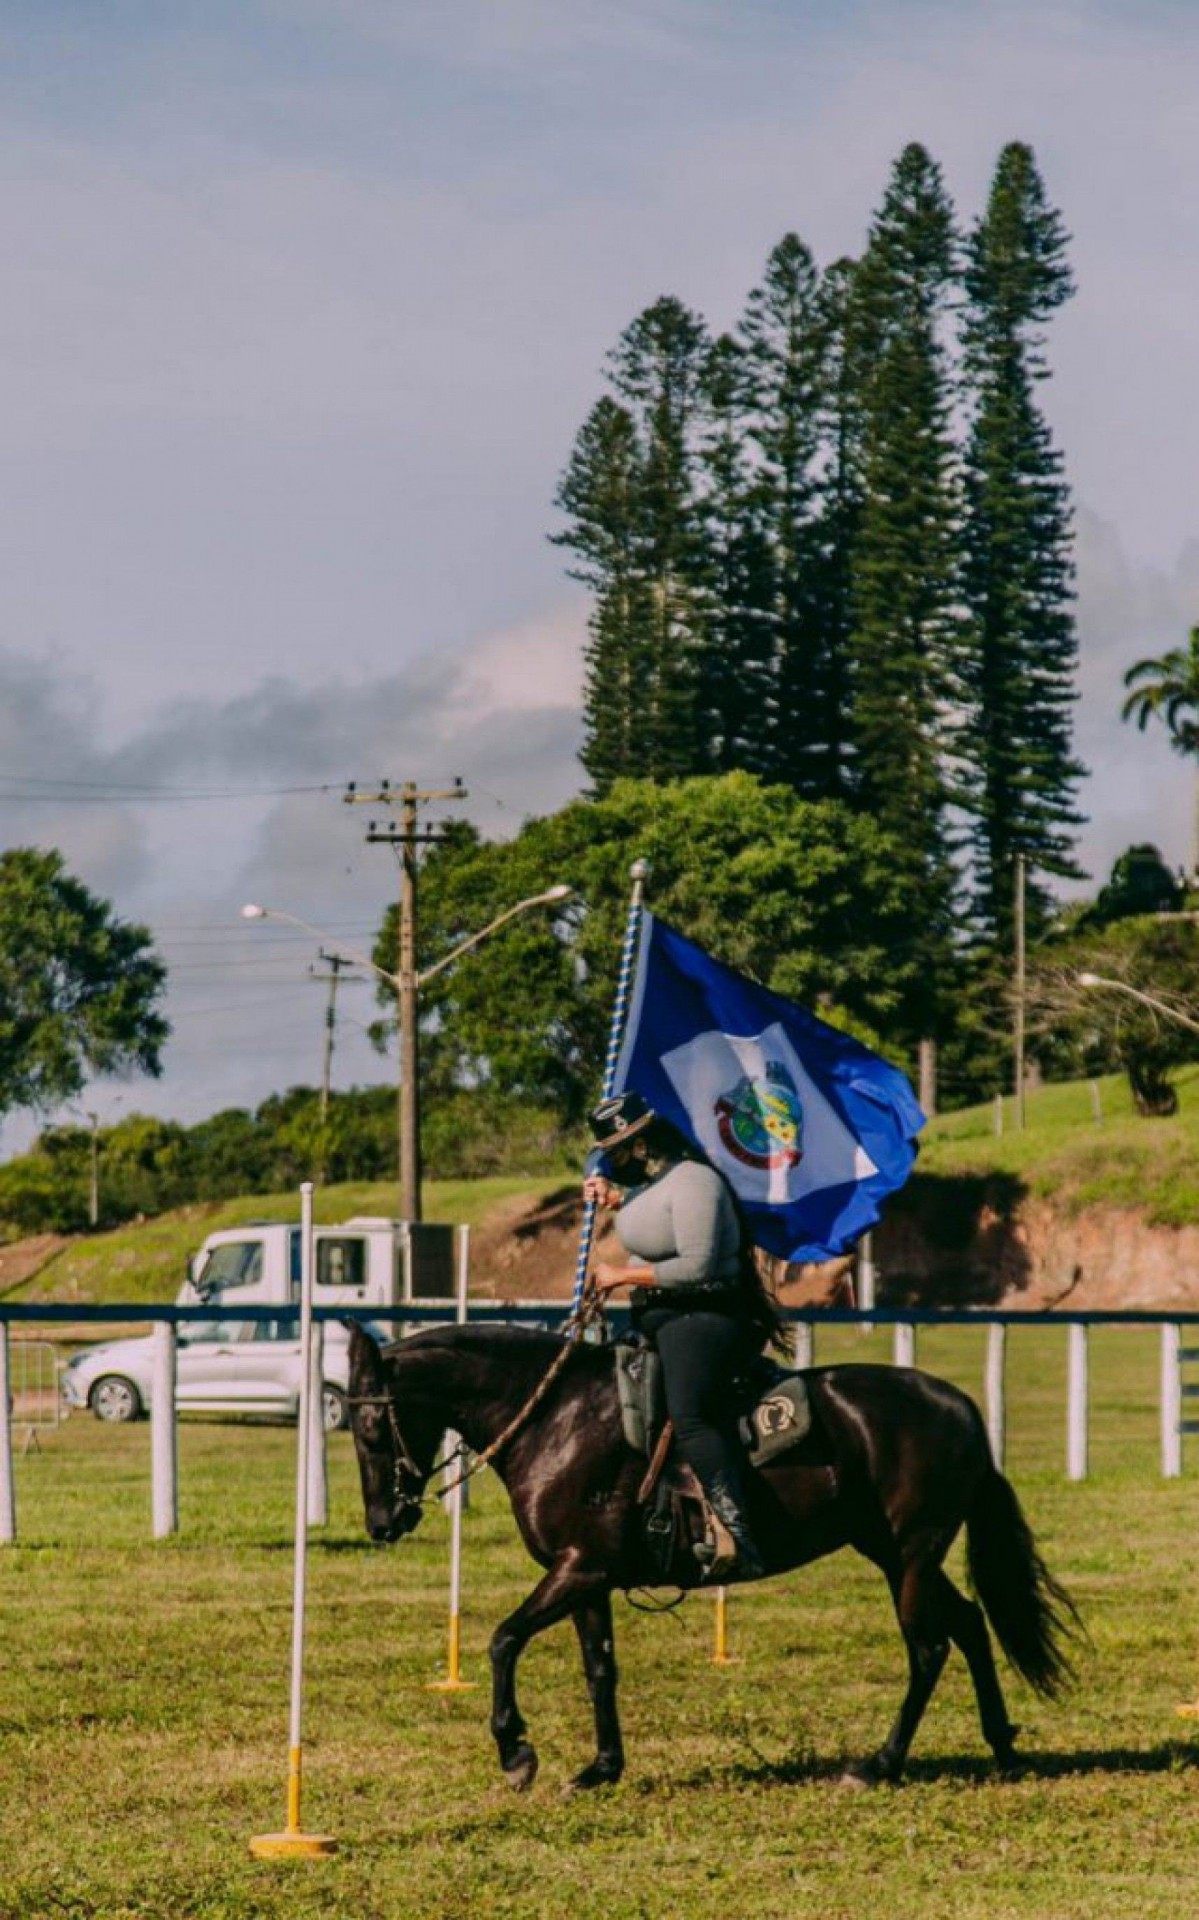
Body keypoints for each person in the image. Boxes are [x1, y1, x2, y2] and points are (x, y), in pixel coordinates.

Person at [584, 1088, 781, 1579]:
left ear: (641, 1145)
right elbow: (654, 1228)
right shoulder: (651, 1189)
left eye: (617, 1153)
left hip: (704, 1319)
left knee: (690, 1415)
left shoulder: (695, 1182)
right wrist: (613, 1200)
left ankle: (738, 1534)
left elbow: (696, 1266)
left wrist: (619, 1277)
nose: (613, 1163)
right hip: (659, 1318)